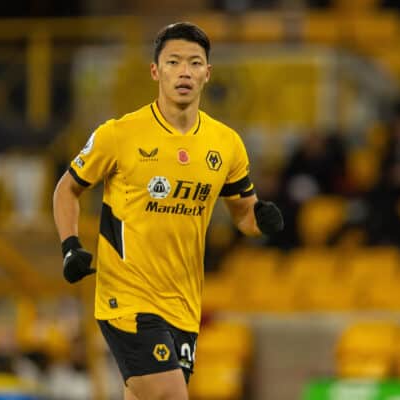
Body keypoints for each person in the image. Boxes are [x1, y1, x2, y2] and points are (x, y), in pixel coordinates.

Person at [52, 22, 284, 400]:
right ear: (155, 71)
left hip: (183, 305)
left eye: (194, 63)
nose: (184, 71)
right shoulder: (119, 134)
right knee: (170, 395)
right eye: (174, 62)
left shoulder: (226, 145)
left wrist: (262, 220)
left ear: (207, 74)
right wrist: (70, 245)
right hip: (127, 297)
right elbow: (67, 188)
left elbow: (244, 214)